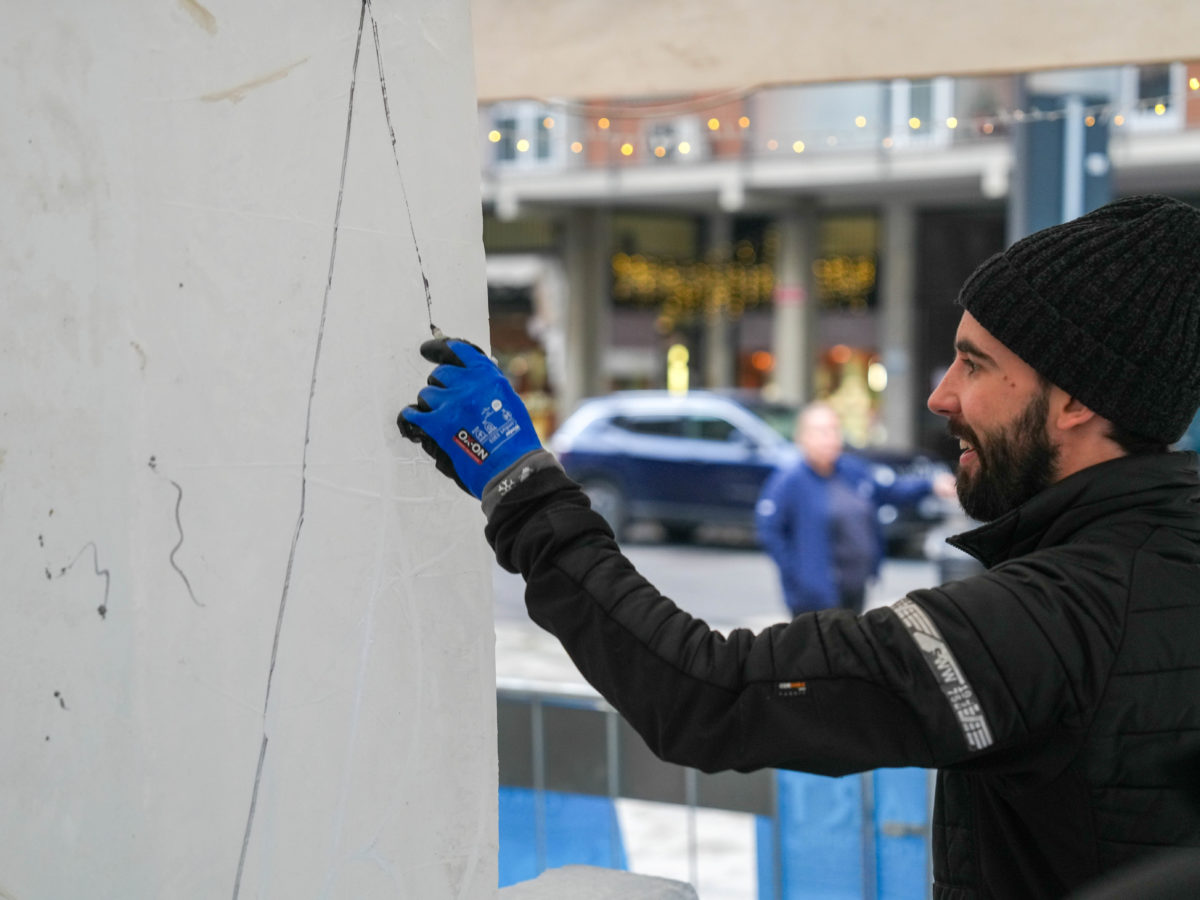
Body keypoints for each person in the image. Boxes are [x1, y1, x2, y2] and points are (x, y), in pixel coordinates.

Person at [398, 195, 1200, 899]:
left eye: (975, 364)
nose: (939, 395)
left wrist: (521, 484)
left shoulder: (1052, 618)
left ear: (1076, 403)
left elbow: (709, 693)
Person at [756, 401, 956, 616]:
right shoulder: (789, 482)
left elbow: (889, 490)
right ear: (802, 438)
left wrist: (930, 484)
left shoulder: (852, 470)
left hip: (855, 587)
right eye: (821, 432)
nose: (830, 438)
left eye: (834, 430)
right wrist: (799, 575)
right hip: (814, 597)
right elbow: (770, 530)